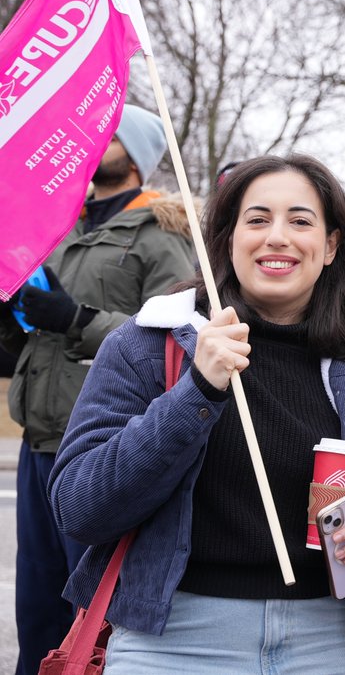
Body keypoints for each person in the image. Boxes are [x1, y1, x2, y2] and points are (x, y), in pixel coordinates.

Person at [49, 154, 345, 673]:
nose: (278, 237)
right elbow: (80, 508)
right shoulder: (147, 344)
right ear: (226, 239)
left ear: (331, 246)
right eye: (257, 219)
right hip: (175, 643)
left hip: (330, 643)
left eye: (300, 221)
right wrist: (196, 391)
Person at [0, 105, 196, 675]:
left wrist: (76, 317)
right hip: (39, 443)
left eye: (107, 133)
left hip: (102, 449)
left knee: (90, 617)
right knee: (35, 608)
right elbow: (31, 341)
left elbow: (177, 338)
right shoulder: (60, 223)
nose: (89, 141)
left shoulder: (162, 233)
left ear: (136, 154)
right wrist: (15, 312)